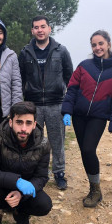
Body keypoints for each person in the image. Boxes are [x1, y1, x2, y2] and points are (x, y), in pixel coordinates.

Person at [61, 30, 112, 207]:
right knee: (84, 152)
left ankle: (96, 190)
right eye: (94, 45)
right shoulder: (84, 66)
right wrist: (67, 111)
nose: (97, 47)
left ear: (108, 44)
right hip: (79, 116)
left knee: (89, 149)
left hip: (98, 117)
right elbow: (72, 88)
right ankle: (93, 187)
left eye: (100, 44)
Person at [18, 15, 73, 190]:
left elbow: (69, 77)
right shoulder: (25, 52)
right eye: (36, 27)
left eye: (43, 26)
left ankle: (59, 173)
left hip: (56, 103)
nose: (40, 30)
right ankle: (36, 174)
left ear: (50, 29)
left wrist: (67, 103)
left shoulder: (61, 51)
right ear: (32, 30)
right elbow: (20, 78)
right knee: (34, 142)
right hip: (33, 105)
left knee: (57, 142)